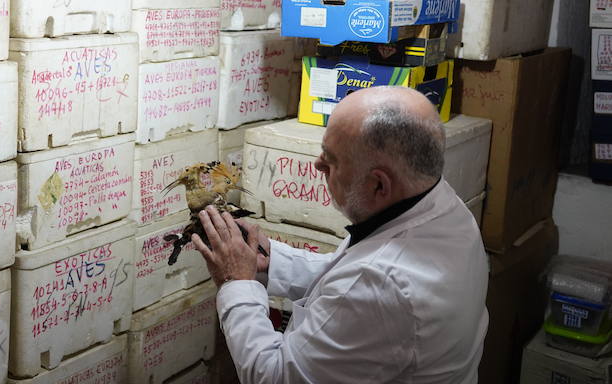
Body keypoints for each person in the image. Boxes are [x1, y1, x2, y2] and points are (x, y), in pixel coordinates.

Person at [193, 86, 489, 383]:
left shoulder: (384, 284)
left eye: (331, 160)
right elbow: (345, 277)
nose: (318, 164)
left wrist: (237, 282)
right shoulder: (439, 205)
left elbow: (274, 377)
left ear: (379, 185)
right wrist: (271, 262)